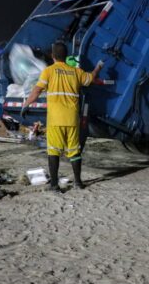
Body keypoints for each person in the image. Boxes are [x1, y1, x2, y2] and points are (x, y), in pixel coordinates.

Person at [22, 42, 104, 191]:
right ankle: (78, 182)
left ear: (52, 56)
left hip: (55, 120)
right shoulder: (76, 72)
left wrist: (26, 105)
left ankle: (54, 185)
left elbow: (36, 91)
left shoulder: (48, 71)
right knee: (74, 151)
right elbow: (91, 78)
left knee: (53, 151)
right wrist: (99, 66)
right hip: (72, 119)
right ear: (66, 56)